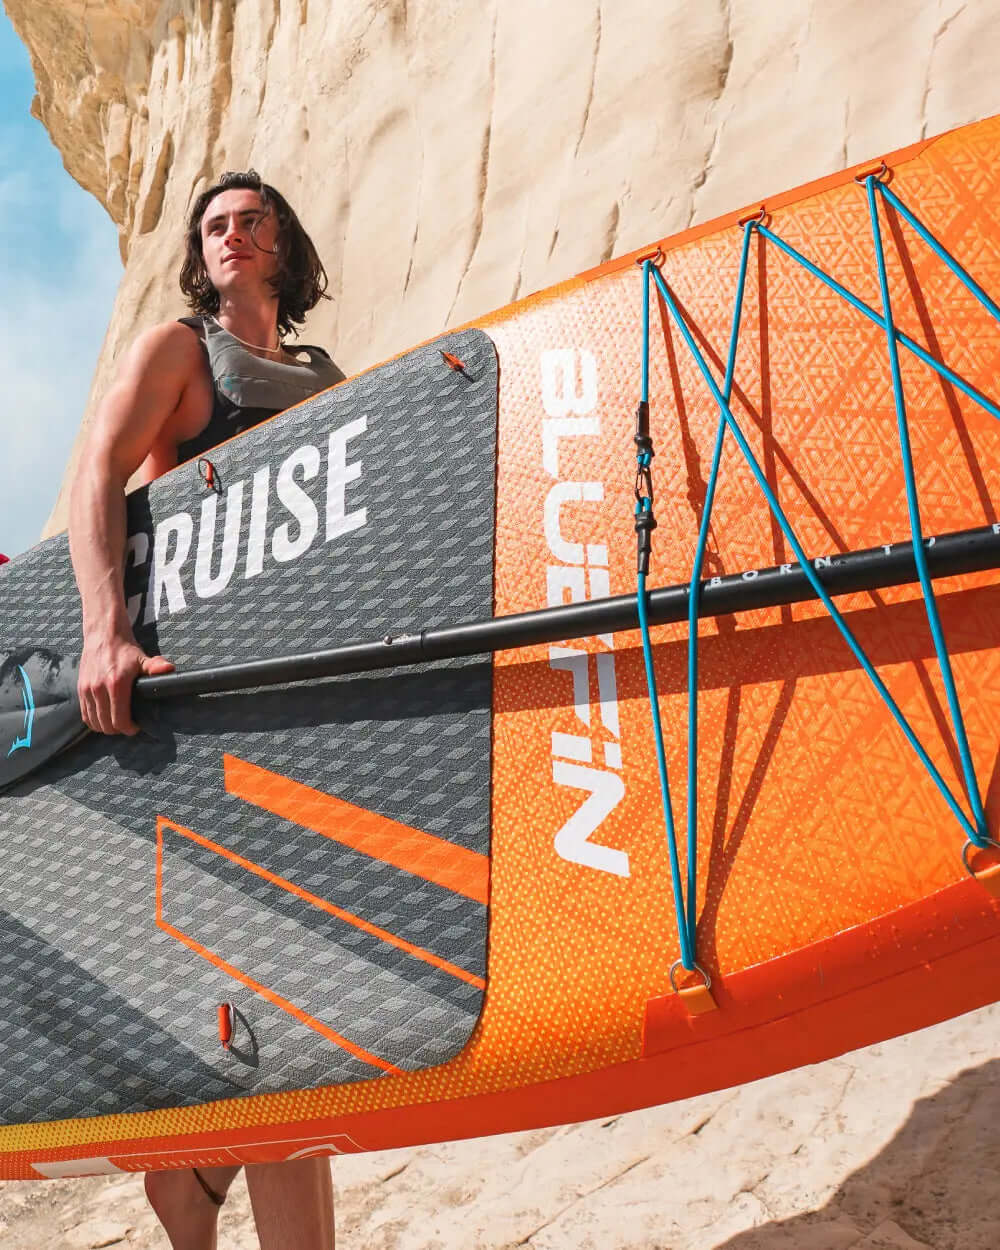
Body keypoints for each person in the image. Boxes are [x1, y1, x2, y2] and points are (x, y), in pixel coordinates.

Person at [68, 170, 344, 1249]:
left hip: (308, 695)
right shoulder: (183, 352)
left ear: (283, 242)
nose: (232, 236)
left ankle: (194, 1172)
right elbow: (99, 470)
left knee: (295, 996)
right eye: (215, 225)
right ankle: (202, 1180)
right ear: (201, 252)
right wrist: (104, 628)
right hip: (213, 691)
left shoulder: (324, 376)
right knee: (291, 1002)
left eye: (251, 220)